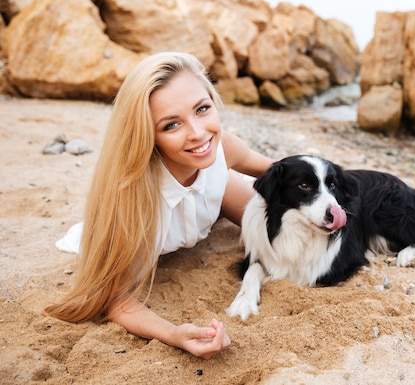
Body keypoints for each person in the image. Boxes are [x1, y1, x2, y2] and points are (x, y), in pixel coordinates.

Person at [46, 51, 274, 359]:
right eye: (171, 125)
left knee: (278, 227)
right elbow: (115, 298)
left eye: (202, 109)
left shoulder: (220, 149)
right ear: (148, 134)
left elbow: (278, 170)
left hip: (210, 202)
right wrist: (173, 334)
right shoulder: (134, 205)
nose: (197, 133)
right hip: (148, 226)